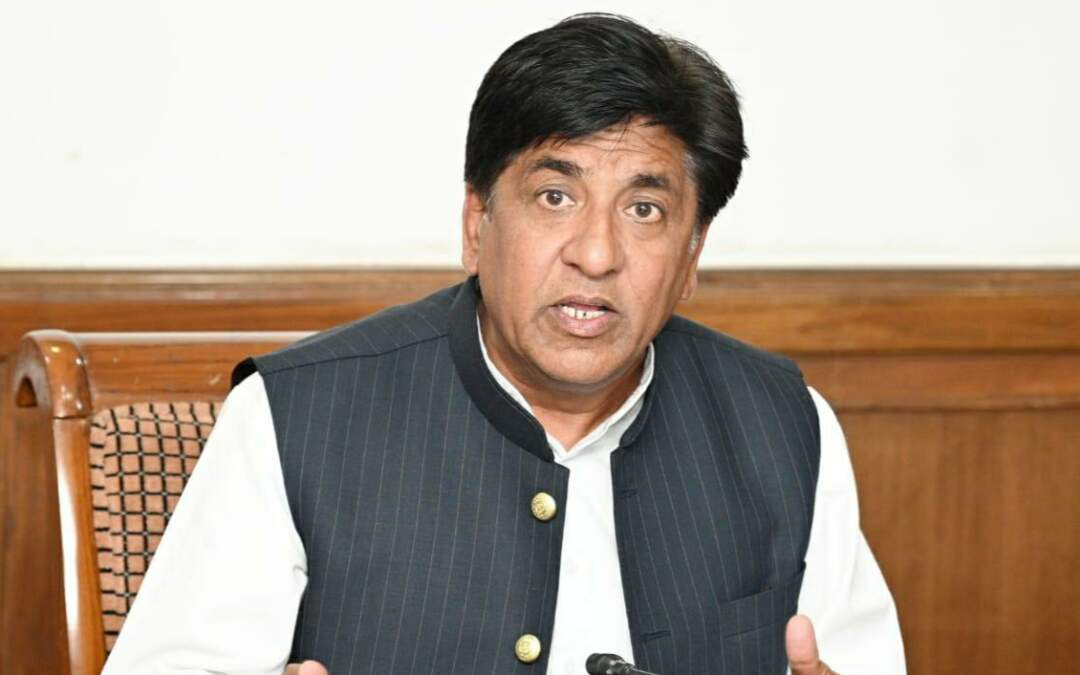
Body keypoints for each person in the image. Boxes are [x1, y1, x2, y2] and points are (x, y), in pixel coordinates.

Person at [103, 13, 905, 675]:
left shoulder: (784, 424)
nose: (596, 254)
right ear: (476, 224)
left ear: (691, 256)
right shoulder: (292, 414)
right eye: (555, 196)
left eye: (645, 210)